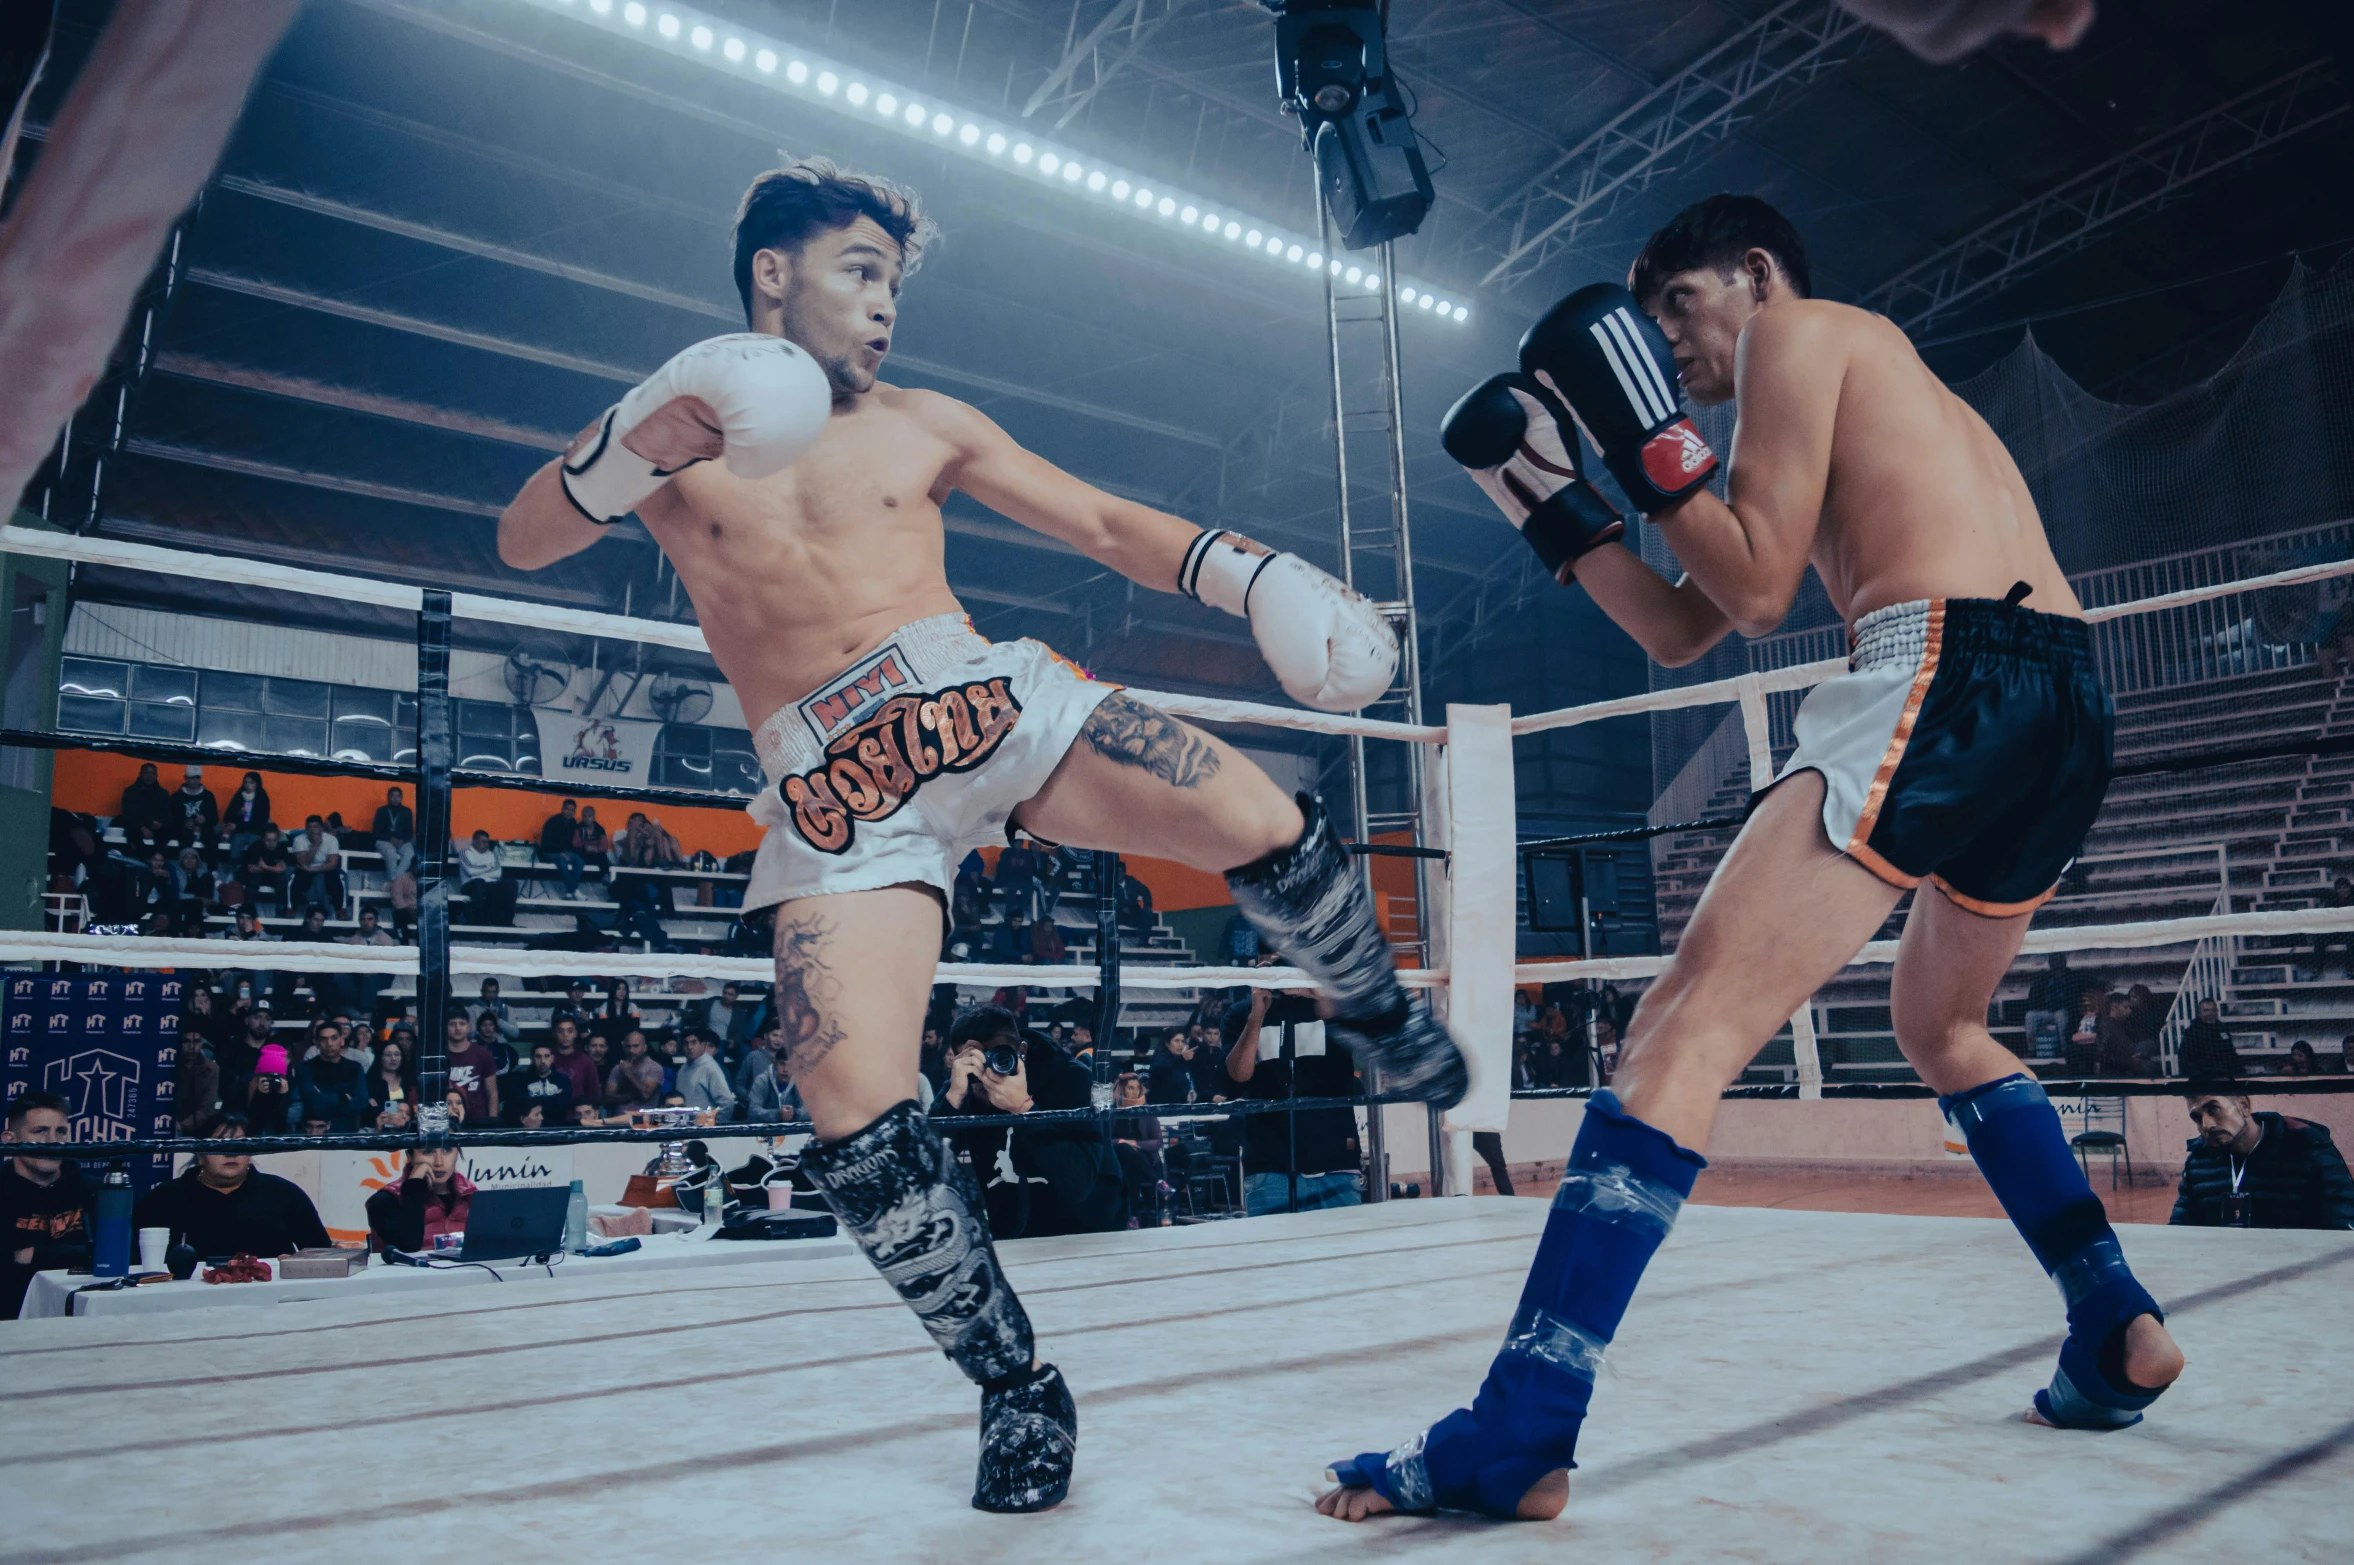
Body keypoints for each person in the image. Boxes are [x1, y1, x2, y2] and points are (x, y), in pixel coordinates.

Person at [496, 157, 1461, 1514]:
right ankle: (1018, 1387)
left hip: (980, 702)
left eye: (894, 282)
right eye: (858, 272)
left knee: (1257, 815)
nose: (885, 308)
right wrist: (628, 444)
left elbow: (1102, 520)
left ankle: (1371, 1007)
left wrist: (1247, 574)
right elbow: (523, 537)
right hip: (835, 783)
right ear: (772, 273)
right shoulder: (678, 440)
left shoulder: (921, 423)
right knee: (853, 1118)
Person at [1334, 192, 2187, 1525]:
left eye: (1673, 305)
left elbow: (1757, 592)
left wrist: (1632, 441)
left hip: (1943, 667)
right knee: (1942, 1021)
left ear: (1749, 273)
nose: (1666, 343)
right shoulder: (1850, 395)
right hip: (2060, 698)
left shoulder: (1804, 332)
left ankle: (1521, 1427)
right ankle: (2109, 1316)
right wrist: (1554, 507)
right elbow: (1688, 628)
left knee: (1677, 1031)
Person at [939, 1007, 1125, 1240]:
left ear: (1022, 1050)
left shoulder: (1074, 1079)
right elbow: (925, 1170)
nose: (990, 1073)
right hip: (1011, 1235)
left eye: (1000, 1057)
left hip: (1087, 1232)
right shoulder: (962, 1087)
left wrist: (1024, 1109)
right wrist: (952, 1099)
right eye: (975, 1062)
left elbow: (1078, 1183)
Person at [1223, 981, 1364, 1216]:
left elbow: (1371, 1023)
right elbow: (1237, 1078)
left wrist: (1313, 990)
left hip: (1335, 1159)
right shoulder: (1242, 1012)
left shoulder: (1331, 1005)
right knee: (1275, 1250)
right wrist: (1256, 1017)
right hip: (1268, 1162)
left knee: (1344, 1248)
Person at [133, 1112, 331, 1259]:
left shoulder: (284, 1194)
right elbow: (133, 1258)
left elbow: (322, 1254)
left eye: (240, 1144)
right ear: (200, 1154)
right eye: (220, 1144)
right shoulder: (164, 1198)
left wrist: (297, 1263)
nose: (232, 1153)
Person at [2170, 1087, 2354, 1230]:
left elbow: (2342, 1226)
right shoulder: (2198, 1163)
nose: (2207, 1124)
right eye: (2197, 1117)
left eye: (2214, 1109)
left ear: (2243, 1105)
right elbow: (2180, 1229)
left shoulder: (2310, 1150)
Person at [3, 1093, 91, 1317]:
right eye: (40, 1131)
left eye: (60, 1131)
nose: (53, 1141)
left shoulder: (91, 1190)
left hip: (82, 1318)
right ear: (9, 1139)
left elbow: (112, 1258)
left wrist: (35, 1254)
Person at [364, 1143, 476, 1253]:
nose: (439, 1162)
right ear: (410, 1156)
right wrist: (414, 1184)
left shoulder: (471, 1195)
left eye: (447, 1150)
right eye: (428, 1151)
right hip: (408, 1271)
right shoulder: (384, 1200)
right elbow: (409, 1245)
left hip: (462, 1271)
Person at [291, 1021, 368, 1133]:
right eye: (323, 1039)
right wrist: (343, 1099)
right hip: (314, 1135)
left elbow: (361, 1103)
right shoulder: (304, 1068)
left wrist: (322, 1096)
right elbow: (311, 1101)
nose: (329, 1043)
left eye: (334, 1038)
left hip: (346, 1136)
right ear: (316, 1043)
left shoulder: (355, 1068)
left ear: (342, 1040)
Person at [440, 1012, 501, 1126]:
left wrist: (493, 1121)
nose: (457, 1028)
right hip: (447, 1119)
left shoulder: (482, 1053)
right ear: (445, 1027)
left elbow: (492, 1092)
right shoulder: (438, 1056)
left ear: (468, 1026)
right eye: (452, 1024)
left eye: (462, 1024)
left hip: (478, 1119)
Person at [505, 1043, 574, 1128]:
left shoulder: (563, 1080)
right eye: (538, 1056)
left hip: (557, 1129)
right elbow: (517, 1105)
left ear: (552, 1058)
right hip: (529, 1130)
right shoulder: (520, 1080)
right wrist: (553, 1098)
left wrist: (533, 1101)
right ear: (532, 1059)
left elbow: (565, 1104)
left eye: (546, 1056)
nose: (543, 1061)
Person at [455, 829, 515, 926]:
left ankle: (506, 922)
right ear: (475, 841)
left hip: (489, 884)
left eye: (487, 842)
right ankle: (477, 920)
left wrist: (478, 869)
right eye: (483, 842)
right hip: (470, 884)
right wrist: (488, 868)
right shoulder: (465, 853)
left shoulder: (492, 855)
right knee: (480, 882)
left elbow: (498, 873)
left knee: (511, 883)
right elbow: (470, 871)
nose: (486, 844)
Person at [674, 1029, 737, 1116]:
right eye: (686, 1043)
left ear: (702, 1046)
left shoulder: (711, 1068)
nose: (689, 1047)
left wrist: (713, 1124)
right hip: (685, 1125)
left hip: (704, 1127)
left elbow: (727, 1103)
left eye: (693, 1042)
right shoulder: (682, 1069)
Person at [290, 814, 343, 915]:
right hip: (305, 869)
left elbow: (333, 864)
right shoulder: (298, 840)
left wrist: (313, 870)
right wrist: (315, 845)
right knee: (297, 878)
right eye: (309, 827)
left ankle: (340, 910)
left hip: (324, 869)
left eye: (315, 827)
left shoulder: (331, 840)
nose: (312, 830)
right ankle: (292, 909)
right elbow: (304, 862)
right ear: (305, 828)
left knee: (336, 878)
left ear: (321, 828)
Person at [116, 761, 173, 854]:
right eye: (146, 773)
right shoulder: (130, 792)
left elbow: (167, 814)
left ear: (156, 775)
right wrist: (142, 828)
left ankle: (157, 860)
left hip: (157, 828)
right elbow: (128, 813)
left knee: (167, 833)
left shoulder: (163, 793)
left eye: (153, 773)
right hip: (136, 827)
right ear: (140, 774)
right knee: (132, 833)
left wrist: (160, 823)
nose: (150, 776)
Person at [2179, 998, 2241, 1082]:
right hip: (2202, 1077)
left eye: (2213, 1010)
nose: (2210, 1013)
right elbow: (2186, 1058)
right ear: (2200, 1013)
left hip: (2223, 1074)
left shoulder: (2223, 1029)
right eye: (2206, 1010)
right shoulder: (2192, 1032)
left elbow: (2230, 1052)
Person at [548, 1015, 602, 1107]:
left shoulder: (586, 1062)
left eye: (570, 1031)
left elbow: (594, 1096)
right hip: (551, 1112)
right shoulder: (546, 1058)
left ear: (575, 1033)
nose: (565, 1035)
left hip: (578, 1114)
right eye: (560, 1031)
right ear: (554, 1033)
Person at [605, 1028, 665, 1111]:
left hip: (643, 1120)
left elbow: (645, 1095)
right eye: (628, 1046)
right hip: (618, 1120)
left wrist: (628, 1074)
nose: (631, 1050)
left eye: (636, 1046)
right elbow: (608, 1098)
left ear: (644, 1047)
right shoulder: (617, 1069)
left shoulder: (654, 1068)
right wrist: (633, 1095)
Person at [366, 1036, 418, 1130]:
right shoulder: (369, 1082)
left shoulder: (409, 1081)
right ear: (380, 1057)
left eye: (397, 1054)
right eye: (388, 1055)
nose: (393, 1058)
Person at [539, 798, 586, 900]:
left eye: (572, 810)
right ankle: (574, 890)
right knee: (562, 861)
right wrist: (560, 853)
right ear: (562, 809)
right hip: (549, 851)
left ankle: (569, 892)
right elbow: (546, 843)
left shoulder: (573, 823)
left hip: (566, 852)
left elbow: (572, 843)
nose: (569, 812)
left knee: (579, 861)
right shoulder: (552, 822)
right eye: (567, 809)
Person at [220, 771, 271, 863]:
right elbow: (226, 817)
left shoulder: (263, 798)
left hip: (255, 832)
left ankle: (252, 870)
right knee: (236, 843)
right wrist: (237, 813)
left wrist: (238, 826)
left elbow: (260, 822)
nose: (248, 785)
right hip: (240, 832)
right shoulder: (238, 796)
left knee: (255, 847)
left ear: (257, 784)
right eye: (246, 782)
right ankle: (234, 870)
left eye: (251, 782)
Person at [371, 786, 416, 881]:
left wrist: (402, 841)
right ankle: (396, 882)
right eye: (392, 796)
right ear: (388, 797)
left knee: (410, 853)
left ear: (401, 798)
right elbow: (376, 831)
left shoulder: (406, 811)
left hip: (402, 842)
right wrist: (390, 839)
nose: (395, 799)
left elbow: (409, 832)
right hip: (384, 841)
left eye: (398, 796)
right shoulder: (381, 811)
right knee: (391, 853)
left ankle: (393, 880)